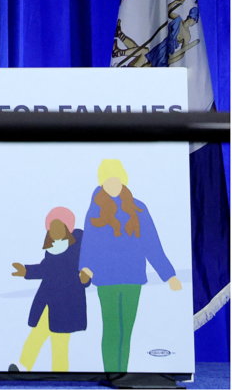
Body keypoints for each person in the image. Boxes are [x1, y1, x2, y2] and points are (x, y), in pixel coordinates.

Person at [77, 159, 183, 373]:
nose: (113, 185)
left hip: (133, 275)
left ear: (123, 181)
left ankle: (121, 373)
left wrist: (168, 275)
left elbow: (152, 243)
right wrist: (85, 267)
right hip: (106, 278)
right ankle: (110, 372)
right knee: (111, 328)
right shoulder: (95, 210)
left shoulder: (139, 207)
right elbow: (89, 242)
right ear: (102, 182)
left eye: (116, 180)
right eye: (108, 180)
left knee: (126, 329)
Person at [9, 206, 88, 372]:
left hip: (67, 304)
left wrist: (86, 278)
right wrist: (26, 271)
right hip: (48, 301)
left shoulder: (79, 245)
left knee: (60, 342)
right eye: (52, 226)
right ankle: (23, 366)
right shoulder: (53, 246)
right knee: (37, 335)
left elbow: (86, 272)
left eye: (59, 225)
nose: (55, 229)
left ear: (68, 227)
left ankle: (60, 374)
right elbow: (46, 268)